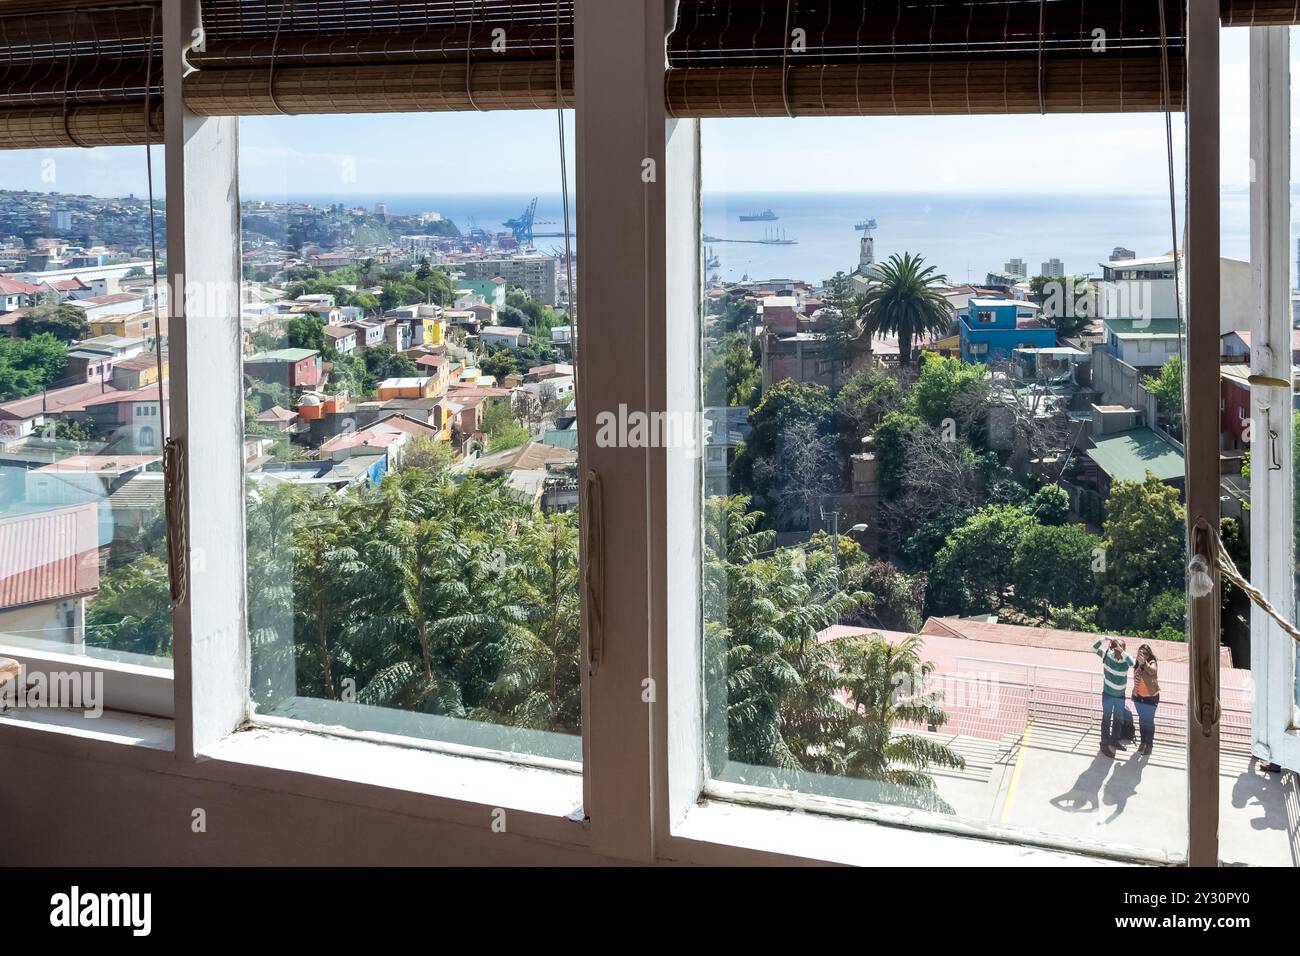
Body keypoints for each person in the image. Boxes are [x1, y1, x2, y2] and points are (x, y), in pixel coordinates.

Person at [1092, 636, 1135, 756]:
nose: (1118, 651)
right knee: (1106, 719)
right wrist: (1104, 638)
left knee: (1118, 719)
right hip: (1108, 695)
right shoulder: (1107, 656)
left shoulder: (1126, 661)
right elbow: (1093, 648)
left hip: (1120, 696)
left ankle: (1115, 739)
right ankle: (1104, 744)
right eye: (1116, 648)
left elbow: (1133, 664)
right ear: (1112, 648)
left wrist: (1122, 652)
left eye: (1121, 648)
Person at [1131, 644, 1160, 754]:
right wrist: (1134, 692)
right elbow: (1137, 680)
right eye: (1140, 653)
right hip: (1139, 697)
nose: (1142, 655)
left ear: (1149, 655)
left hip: (1151, 697)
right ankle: (1143, 742)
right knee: (1142, 720)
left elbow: (1153, 671)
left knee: (1149, 721)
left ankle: (1149, 744)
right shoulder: (1137, 664)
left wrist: (1144, 663)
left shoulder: (1152, 663)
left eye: (1145, 653)